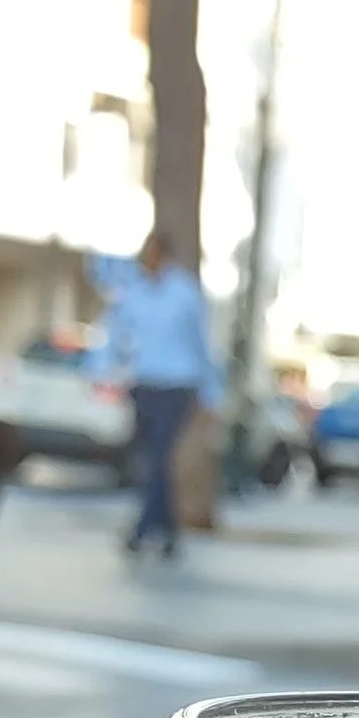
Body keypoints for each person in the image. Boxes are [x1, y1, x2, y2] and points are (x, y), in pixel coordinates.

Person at [108, 229, 221, 558]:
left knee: (160, 456)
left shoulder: (184, 294)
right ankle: (168, 530)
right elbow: (118, 337)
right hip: (144, 385)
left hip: (177, 385)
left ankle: (142, 530)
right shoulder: (134, 293)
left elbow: (201, 345)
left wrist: (211, 393)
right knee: (148, 461)